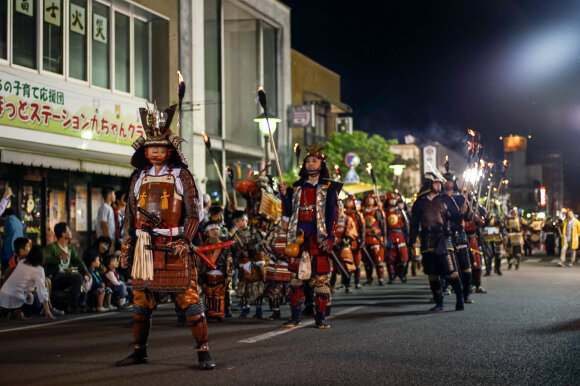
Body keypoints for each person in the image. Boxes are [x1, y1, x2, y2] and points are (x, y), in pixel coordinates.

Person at [115, 104, 215, 370]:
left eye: (160, 146)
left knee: (189, 300)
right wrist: (127, 245)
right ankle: (139, 351)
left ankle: (203, 351)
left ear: (170, 150)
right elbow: (129, 213)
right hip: (144, 246)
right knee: (140, 302)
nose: (155, 150)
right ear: (144, 151)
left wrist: (186, 240)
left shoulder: (181, 175)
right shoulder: (139, 177)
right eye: (150, 147)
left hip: (173, 244)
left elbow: (194, 212)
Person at [279, 143, 342, 329]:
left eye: (314, 160)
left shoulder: (330, 187)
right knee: (295, 280)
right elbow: (289, 213)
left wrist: (331, 237)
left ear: (321, 164)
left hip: (319, 237)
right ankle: (295, 316)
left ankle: (320, 317)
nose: (310, 163)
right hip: (299, 237)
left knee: (321, 281)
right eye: (308, 160)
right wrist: (283, 195)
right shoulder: (295, 187)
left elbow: (333, 214)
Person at [409, 173, 464, 312]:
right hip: (427, 241)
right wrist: (412, 241)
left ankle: (460, 297)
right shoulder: (420, 203)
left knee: (450, 272)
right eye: (436, 183)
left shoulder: (446, 199)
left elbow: (457, 219)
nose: (439, 185)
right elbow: (414, 224)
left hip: (443, 239)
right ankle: (439, 302)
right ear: (429, 184)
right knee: (432, 274)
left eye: (440, 183)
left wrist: (459, 216)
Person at [440, 171, 473, 304]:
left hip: (459, 234)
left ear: (453, 183)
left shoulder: (460, 198)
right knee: (445, 267)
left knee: (466, 267)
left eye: (448, 180)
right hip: (444, 235)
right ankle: (441, 292)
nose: (446, 183)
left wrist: (467, 211)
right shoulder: (439, 199)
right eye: (444, 181)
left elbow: (469, 218)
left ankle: (466, 294)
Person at [0, 245, 56, 320]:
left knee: (30, 296)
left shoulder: (22, 262)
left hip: (4, 294)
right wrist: (47, 309)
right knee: (38, 302)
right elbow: (42, 290)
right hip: (16, 296)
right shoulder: (39, 269)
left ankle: (12, 311)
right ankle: (18, 310)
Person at [45, 222, 90, 313]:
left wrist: (86, 271)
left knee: (82, 276)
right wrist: (59, 257)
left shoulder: (70, 248)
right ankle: (72, 306)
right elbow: (45, 261)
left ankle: (82, 303)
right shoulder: (52, 247)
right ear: (63, 234)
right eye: (69, 230)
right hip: (54, 277)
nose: (71, 232)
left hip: (66, 276)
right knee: (77, 277)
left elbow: (77, 261)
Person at [231, 210, 266, 319]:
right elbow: (232, 248)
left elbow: (262, 244)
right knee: (244, 288)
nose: (240, 223)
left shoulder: (254, 231)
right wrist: (240, 251)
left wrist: (252, 249)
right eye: (237, 221)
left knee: (257, 287)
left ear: (247, 220)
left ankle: (259, 310)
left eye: (242, 220)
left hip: (256, 262)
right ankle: (245, 310)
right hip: (243, 263)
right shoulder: (236, 235)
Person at [199, 221, 233, 320]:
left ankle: (219, 314)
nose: (215, 231)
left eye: (217, 229)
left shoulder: (225, 245)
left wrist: (229, 274)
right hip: (207, 275)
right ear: (206, 232)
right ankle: (209, 312)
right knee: (208, 294)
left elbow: (229, 260)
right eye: (212, 230)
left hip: (221, 275)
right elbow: (199, 263)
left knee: (219, 296)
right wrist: (199, 276)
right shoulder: (203, 247)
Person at [263, 216, 292, 319]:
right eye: (285, 223)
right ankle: (276, 312)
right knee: (275, 290)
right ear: (282, 221)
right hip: (275, 265)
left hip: (290, 266)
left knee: (291, 291)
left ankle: (294, 314)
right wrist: (274, 257)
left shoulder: (294, 231)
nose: (287, 225)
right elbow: (265, 245)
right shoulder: (273, 232)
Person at [360, 193, 387, 286]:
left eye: (371, 199)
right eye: (367, 199)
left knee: (378, 259)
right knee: (367, 260)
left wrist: (384, 237)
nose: (368, 201)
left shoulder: (378, 212)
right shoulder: (361, 212)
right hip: (365, 237)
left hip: (376, 238)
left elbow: (383, 225)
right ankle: (369, 279)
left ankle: (380, 278)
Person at [384, 192, 410, 283]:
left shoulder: (399, 211)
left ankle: (402, 274)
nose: (392, 201)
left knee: (403, 257)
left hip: (400, 235)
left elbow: (406, 224)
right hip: (389, 235)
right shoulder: (384, 212)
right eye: (390, 199)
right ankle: (392, 275)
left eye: (394, 199)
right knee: (390, 257)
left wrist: (408, 235)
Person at [343, 195, 365, 288]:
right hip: (345, 242)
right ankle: (346, 283)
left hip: (355, 241)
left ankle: (357, 281)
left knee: (357, 262)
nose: (348, 202)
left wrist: (362, 239)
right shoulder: (342, 214)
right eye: (347, 201)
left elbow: (362, 227)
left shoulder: (358, 214)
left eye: (350, 201)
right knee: (346, 263)